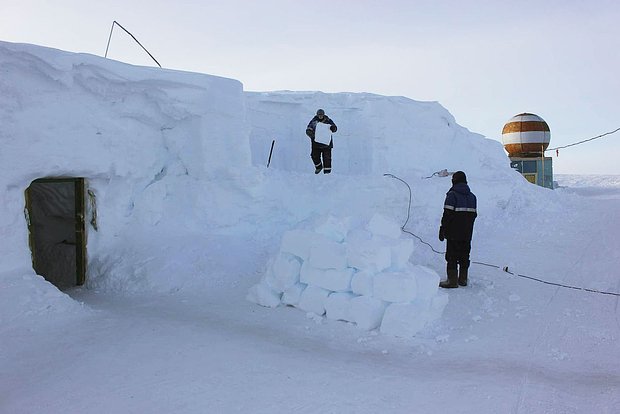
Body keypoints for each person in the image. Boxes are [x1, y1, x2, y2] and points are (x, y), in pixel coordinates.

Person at [438, 171, 477, 288]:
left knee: (452, 256)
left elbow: (447, 214)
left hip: (453, 233)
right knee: (465, 255)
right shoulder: (472, 197)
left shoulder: (452, 195)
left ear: (454, 181)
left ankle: (452, 281)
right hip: (467, 233)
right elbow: (473, 216)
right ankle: (463, 279)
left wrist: (442, 229)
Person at [305, 109, 337, 174]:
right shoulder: (314, 121)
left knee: (327, 158)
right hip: (316, 144)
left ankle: (327, 173)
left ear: (323, 115)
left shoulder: (328, 121)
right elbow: (308, 129)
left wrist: (333, 128)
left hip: (326, 144)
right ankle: (319, 167)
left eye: (321, 115)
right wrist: (310, 133)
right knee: (314, 156)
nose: (320, 116)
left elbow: (335, 128)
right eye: (319, 115)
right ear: (317, 115)